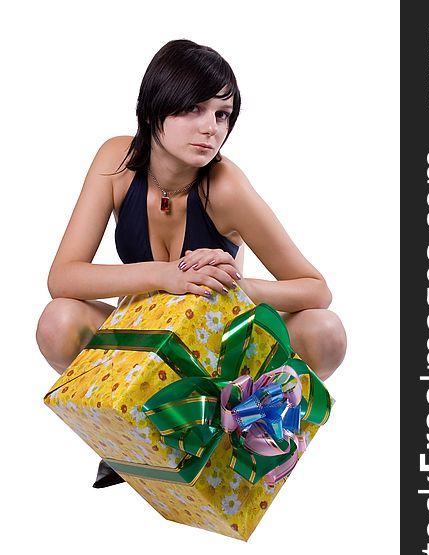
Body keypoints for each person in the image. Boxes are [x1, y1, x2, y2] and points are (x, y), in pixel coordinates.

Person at [36, 39, 347, 488]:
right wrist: (167, 275)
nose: (211, 129)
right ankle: (131, 439)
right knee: (58, 320)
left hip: (220, 358)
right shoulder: (116, 161)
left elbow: (315, 288)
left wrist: (239, 286)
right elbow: (62, 277)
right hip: (144, 345)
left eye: (222, 114)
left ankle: (244, 440)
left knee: (325, 331)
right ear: (153, 109)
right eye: (193, 110)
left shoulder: (224, 187)